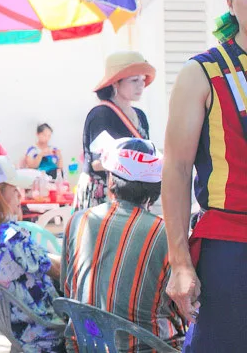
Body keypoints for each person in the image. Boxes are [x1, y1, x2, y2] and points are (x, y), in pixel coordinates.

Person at [162, 0, 247, 351]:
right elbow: (174, 168)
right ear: (230, 0)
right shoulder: (203, 73)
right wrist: (180, 260)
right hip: (232, 244)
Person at [62, 138, 185, 352]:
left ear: (111, 181)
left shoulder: (77, 221)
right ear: (156, 187)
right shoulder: (166, 233)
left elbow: (68, 288)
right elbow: (183, 304)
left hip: (84, 346)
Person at [0, 156, 64, 353]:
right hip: (45, 334)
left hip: (17, 331)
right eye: (13, 190)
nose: (20, 195)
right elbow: (60, 271)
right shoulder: (13, 237)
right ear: (0, 195)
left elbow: (34, 262)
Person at [74, 51, 155, 211]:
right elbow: (97, 163)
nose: (141, 85)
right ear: (115, 83)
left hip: (134, 194)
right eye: (134, 80)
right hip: (104, 195)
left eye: (142, 79)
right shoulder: (101, 114)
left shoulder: (141, 115)